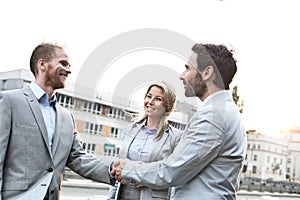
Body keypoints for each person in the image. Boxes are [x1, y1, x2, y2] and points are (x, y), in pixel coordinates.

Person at [112, 43, 247, 199]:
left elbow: (173, 170)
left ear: (207, 72)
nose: (182, 75)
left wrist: (128, 169)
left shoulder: (213, 116)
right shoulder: (224, 111)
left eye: (188, 68)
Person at [0, 43, 113, 200]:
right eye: (63, 63)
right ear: (42, 64)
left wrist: (114, 172)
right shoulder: (10, 101)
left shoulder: (67, 118)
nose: (69, 70)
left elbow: (78, 158)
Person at [107, 82, 182, 200]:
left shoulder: (176, 137)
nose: (150, 102)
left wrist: (145, 178)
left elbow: (174, 175)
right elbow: (119, 167)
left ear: (167, 105)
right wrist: (111, 197)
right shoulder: (131, 129)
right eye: (148, 96)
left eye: (158, 99)